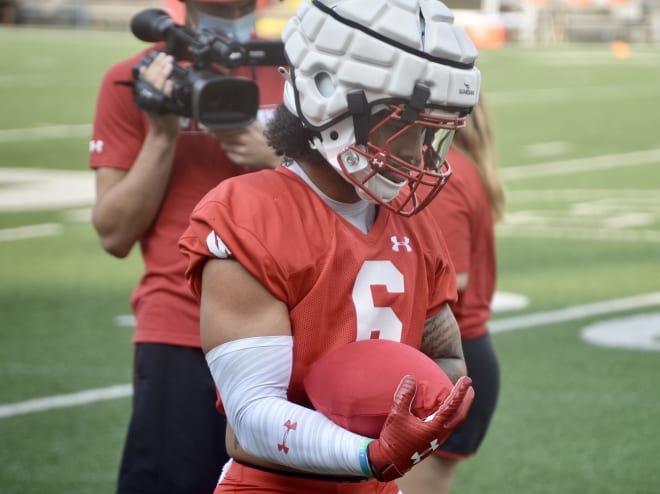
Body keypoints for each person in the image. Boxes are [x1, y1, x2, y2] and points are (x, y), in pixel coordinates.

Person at [178, 1, 481, 492]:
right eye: (403, 124)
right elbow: (252, 415)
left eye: (430, 129)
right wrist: (369, 453)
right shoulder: (250, 213)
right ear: (328, 99)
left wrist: (437, 406)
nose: (417, 150)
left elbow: (445, 360)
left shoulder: (416, 225)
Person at [88, 1, 284, 493]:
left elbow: (345, 205)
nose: (231, 11)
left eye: (241, 4)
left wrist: (274, 159)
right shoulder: (133, 78)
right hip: (179, 328)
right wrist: (161, 135)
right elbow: (113, 233)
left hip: (289, 330)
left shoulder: (300, 73)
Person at [397, 97, 505, 493]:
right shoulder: (456, 166)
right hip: (453, 358)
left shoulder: (444, 175)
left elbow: (450, 280)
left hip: (446, 362)